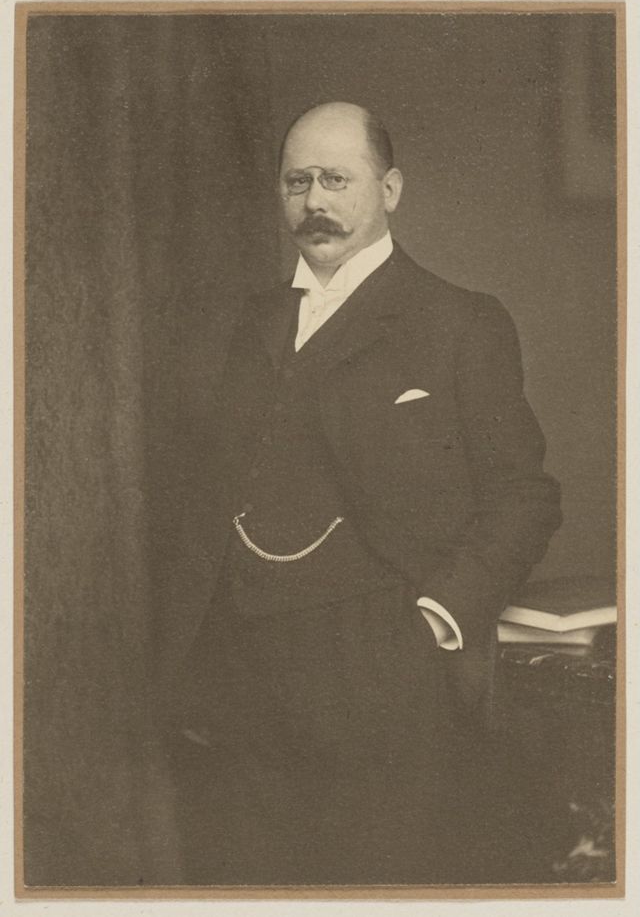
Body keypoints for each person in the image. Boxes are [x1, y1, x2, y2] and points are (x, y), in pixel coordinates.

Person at [155, 101, 563, 885]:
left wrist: (437, 620)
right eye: (297, 182)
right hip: (241, 679)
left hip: (383, 675)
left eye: (336, 180)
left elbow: (524, 497)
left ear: (390, 190)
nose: (314, 202)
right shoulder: (252, 321)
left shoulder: (460, 322)